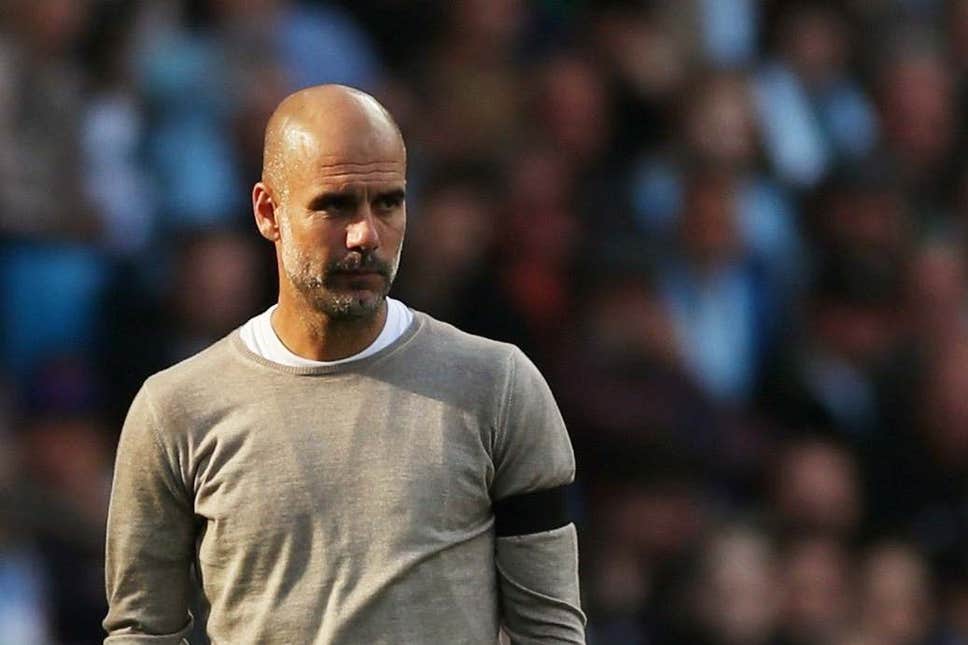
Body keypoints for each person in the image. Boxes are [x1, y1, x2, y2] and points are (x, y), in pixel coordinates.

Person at [102, 84, 585, 643]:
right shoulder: (175, 409)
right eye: (335, 205)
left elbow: (551, 632)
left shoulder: (499, 387)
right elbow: (141, 631)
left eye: (389, 203)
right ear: (268, 212)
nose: (366, 235)